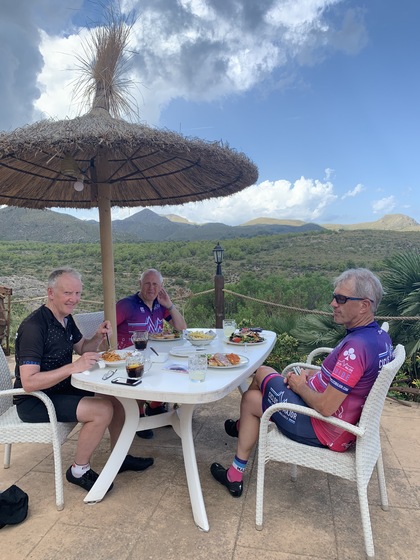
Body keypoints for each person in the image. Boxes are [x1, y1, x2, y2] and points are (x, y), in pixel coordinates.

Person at [210, 268, 394, 497]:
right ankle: (235, 466)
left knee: (258, 381)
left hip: (322, 428)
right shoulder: (379, 338)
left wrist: (300, 386)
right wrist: (312, 376)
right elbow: (347, 382)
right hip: (341, 427)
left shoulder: (357, 348)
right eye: (334, 297)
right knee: (254, 396)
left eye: (341, 299)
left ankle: (238, 450)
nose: (333, 304)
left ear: (364, 305)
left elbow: (326, 407)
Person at [14, 267, 154, 495]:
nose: (74, 299)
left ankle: (119, 456)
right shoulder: (34, 327)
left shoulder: (65, 319)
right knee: (102, 410)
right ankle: (78, 470)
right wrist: (73, 367)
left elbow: (83, 348)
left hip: (60, 388)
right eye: (68, 293)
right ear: (50, 293)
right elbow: (29, 382)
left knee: (116, 397)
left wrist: (98, 336)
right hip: (35, 400)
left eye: (78, 293)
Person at [116, 268, 187, 437]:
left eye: (155, 284)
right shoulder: (126, 304)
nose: (151, 288)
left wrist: (169, 305)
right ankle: (138, 414)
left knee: (173, 367)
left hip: (154, 353)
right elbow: (107, 325)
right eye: (147, 283)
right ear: (140, 284)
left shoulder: (159, 305)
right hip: (129, 357)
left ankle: (155, 406)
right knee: (142, 370)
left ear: (161, 286)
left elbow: (181, 327)